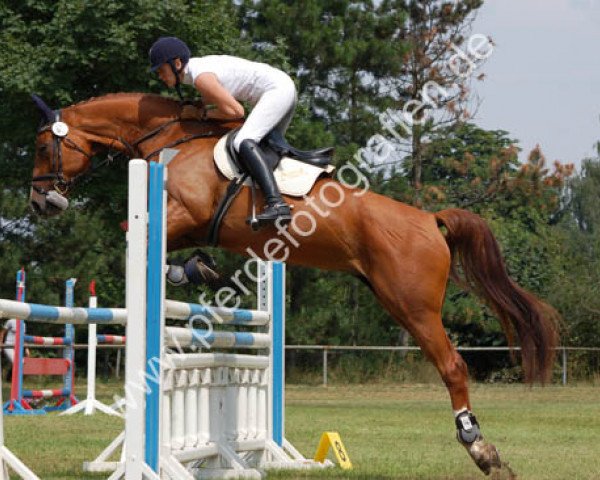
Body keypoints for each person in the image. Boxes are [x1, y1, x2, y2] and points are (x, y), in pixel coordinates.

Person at [149, 36, 295, 225]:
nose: (160, 75)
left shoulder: (201, 77)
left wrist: (200, 115)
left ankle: (277, 204)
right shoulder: (197, 72)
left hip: (276, 90)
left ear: (176, 63)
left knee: (242, 141)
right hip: (280, 88)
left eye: (161, 69)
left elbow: (235, 112)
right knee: (265, 148)